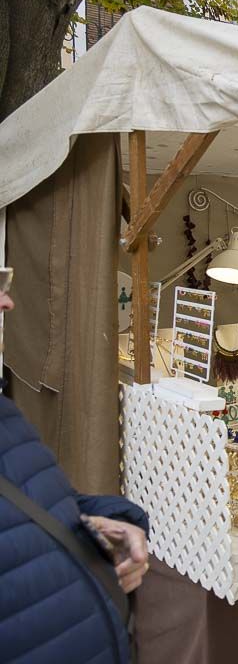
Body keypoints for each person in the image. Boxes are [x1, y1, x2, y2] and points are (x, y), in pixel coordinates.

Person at [0, 275, 151, 663]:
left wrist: (108, 524)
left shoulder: (5, 414)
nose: (6, 302)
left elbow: (36, 503)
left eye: (2, 283)